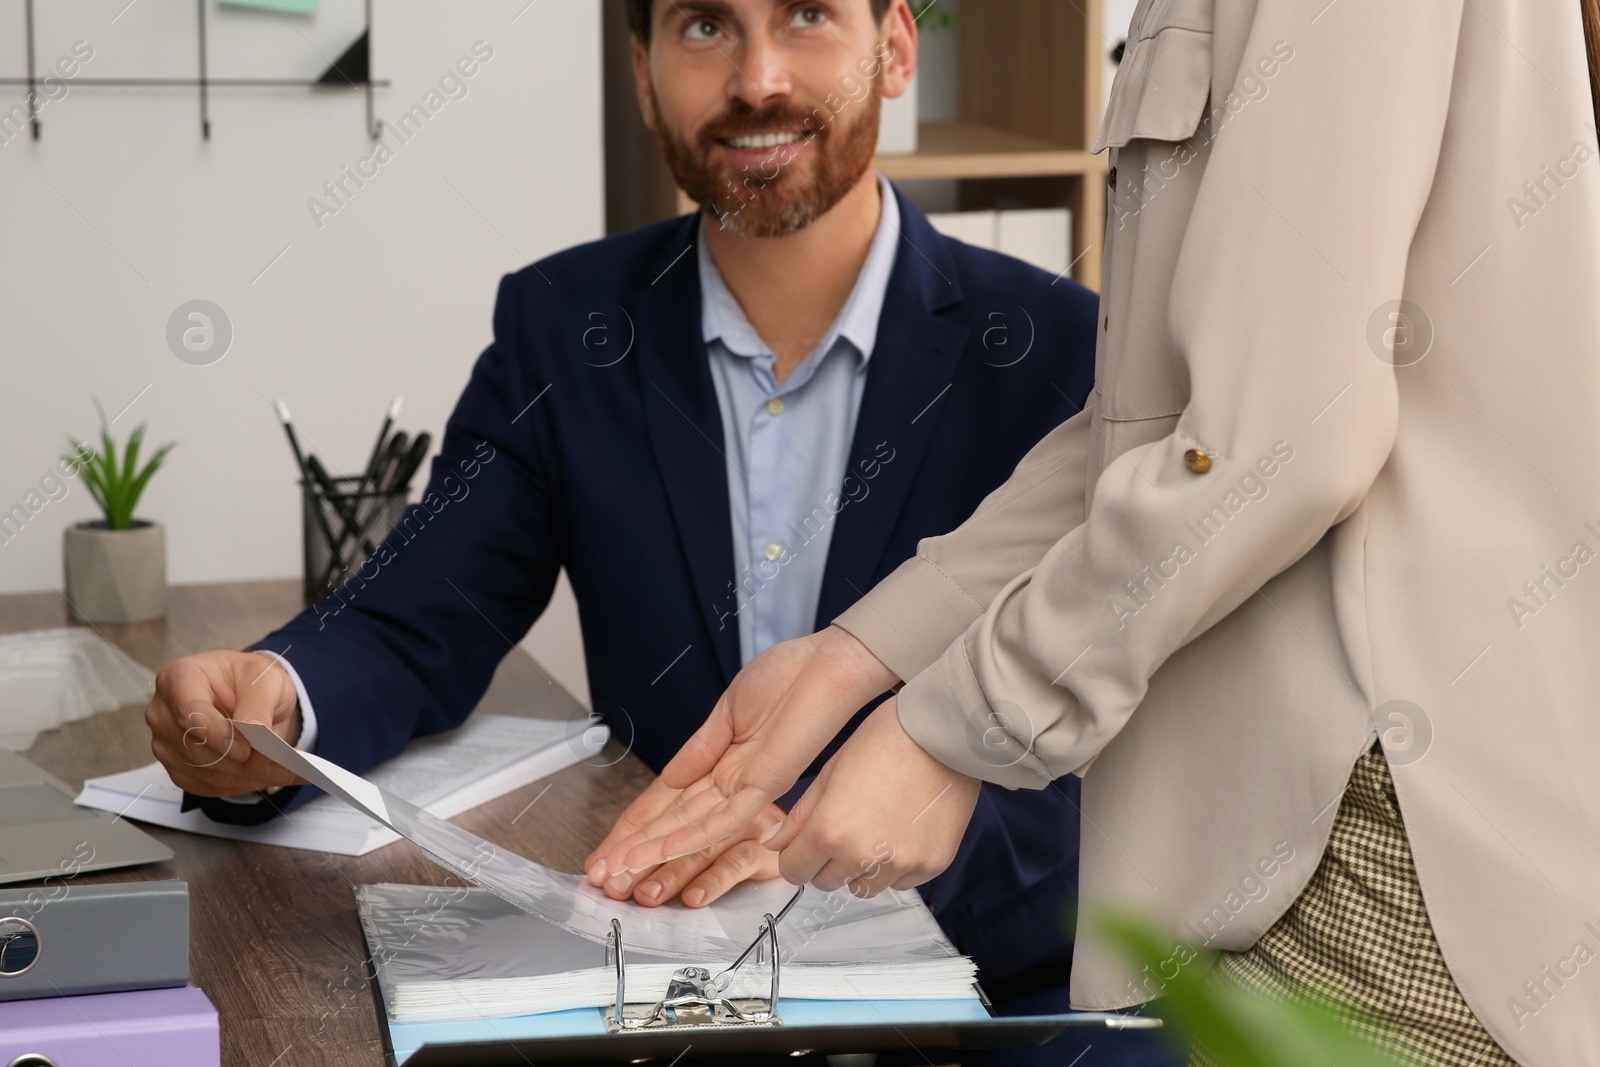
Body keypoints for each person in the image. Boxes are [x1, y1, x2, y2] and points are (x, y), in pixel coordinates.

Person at [145, 2, 1177, 1062]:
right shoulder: (564, 324)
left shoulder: (1061, 346)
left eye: (808, 16)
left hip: (993, 987)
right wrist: (279, 696)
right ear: (642, 74)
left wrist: (826, 851)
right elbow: (424, 606)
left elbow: (1128, 745)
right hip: (662, 987)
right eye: (702, 27)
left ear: (897, 48)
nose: (758, 78)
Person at [594, 1, 1600, 1065]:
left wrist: (953, 726)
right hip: (1273, 842)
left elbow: (1281, 437)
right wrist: (857, 659)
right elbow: (1164, 420)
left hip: (1378, 868)